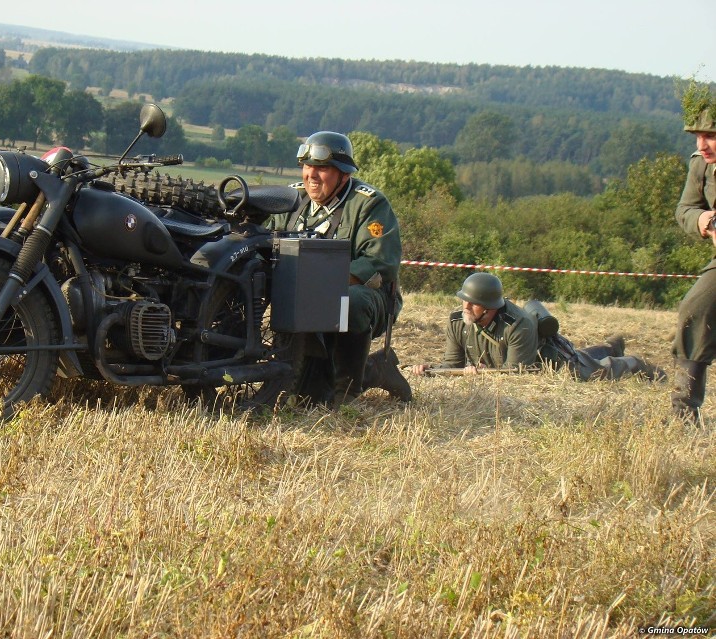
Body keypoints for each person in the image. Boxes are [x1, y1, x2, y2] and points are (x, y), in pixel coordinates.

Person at [267, 131, 411, 404]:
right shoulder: (290, 199)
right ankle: (367, 371)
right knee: (308, 396)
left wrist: (321, 286)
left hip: (367, 296)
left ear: (343, 175)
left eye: (322, 168)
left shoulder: (369, 203)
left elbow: (380, 263)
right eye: (308, 166)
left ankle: (346, 393)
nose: (311, 175)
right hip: (301, 295)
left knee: (350, 301)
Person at [409, 272, 665, 382]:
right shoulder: (458, 322)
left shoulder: (517, 326)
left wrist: (480, 374)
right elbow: (452, 365)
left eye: (472, 303)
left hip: (552, 361)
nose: (464, 306)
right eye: (464, 300)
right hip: (514, 360)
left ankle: (633, 362)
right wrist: (429, 369)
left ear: (489, 307)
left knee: (597, 372)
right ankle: (610, 346)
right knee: (589, 357)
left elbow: (517, 374)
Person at [671, 88, 716, 425]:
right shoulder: (701, 165)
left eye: (711, 136)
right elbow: (686, 208)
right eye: (699, 136)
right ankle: (684, 414)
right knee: (694, 310)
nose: (702, 145)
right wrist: (703, 221)